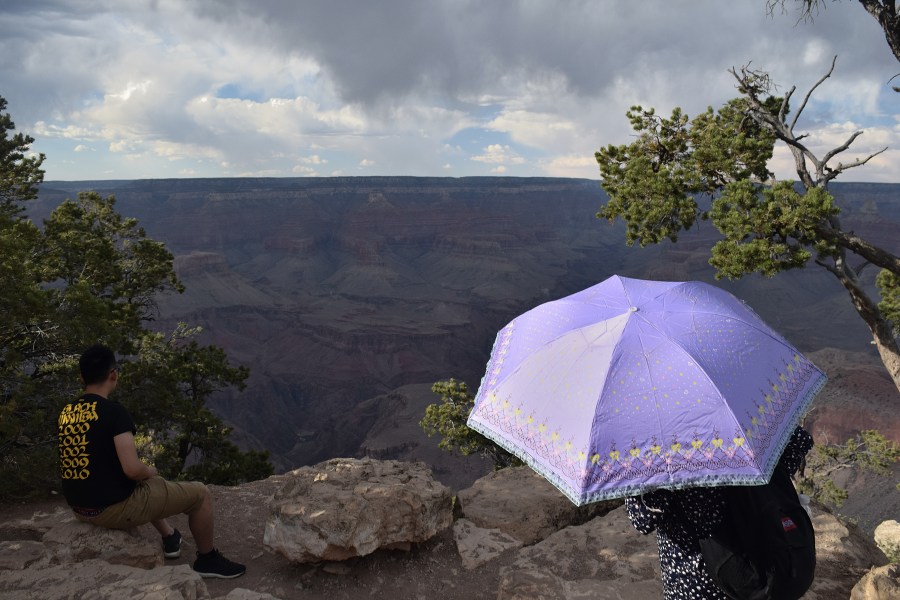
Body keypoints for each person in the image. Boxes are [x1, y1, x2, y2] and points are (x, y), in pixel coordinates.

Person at [57, 343, 246, 579]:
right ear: (113, 375)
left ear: (82, 378)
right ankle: (207, 559)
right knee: (200, 494)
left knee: (151, 486)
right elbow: (132, 469)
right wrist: (149, 470)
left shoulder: (67, 412)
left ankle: (170, 537)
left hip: (80, 508)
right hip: (111, 510)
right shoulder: (113, 412)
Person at [624, 426, 813, 600]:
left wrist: (662, 473)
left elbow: (642, 520)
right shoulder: (734, 411)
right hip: (754, 558)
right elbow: (799, 441)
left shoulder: (657, 438)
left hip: (692, 579)